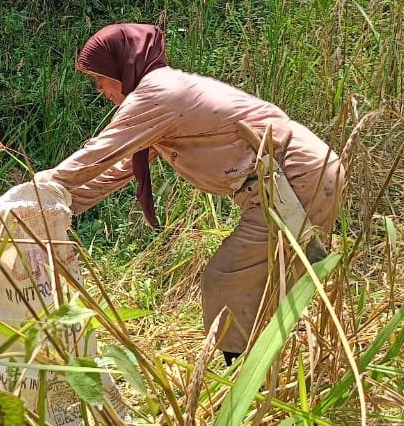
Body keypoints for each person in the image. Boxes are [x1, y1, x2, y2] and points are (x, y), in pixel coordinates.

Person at [35, 23, 342, 366]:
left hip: (294, 178)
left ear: (119, 66)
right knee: (265, 282)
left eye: (100, 77)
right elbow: (115, 172)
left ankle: (243, 383)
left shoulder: (159, 93)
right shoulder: (163, 97)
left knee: (227, 278)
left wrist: (33, 194)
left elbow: (97, 155)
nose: (100, 89)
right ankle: (267, 373)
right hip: (292, 178)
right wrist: (63, 204)